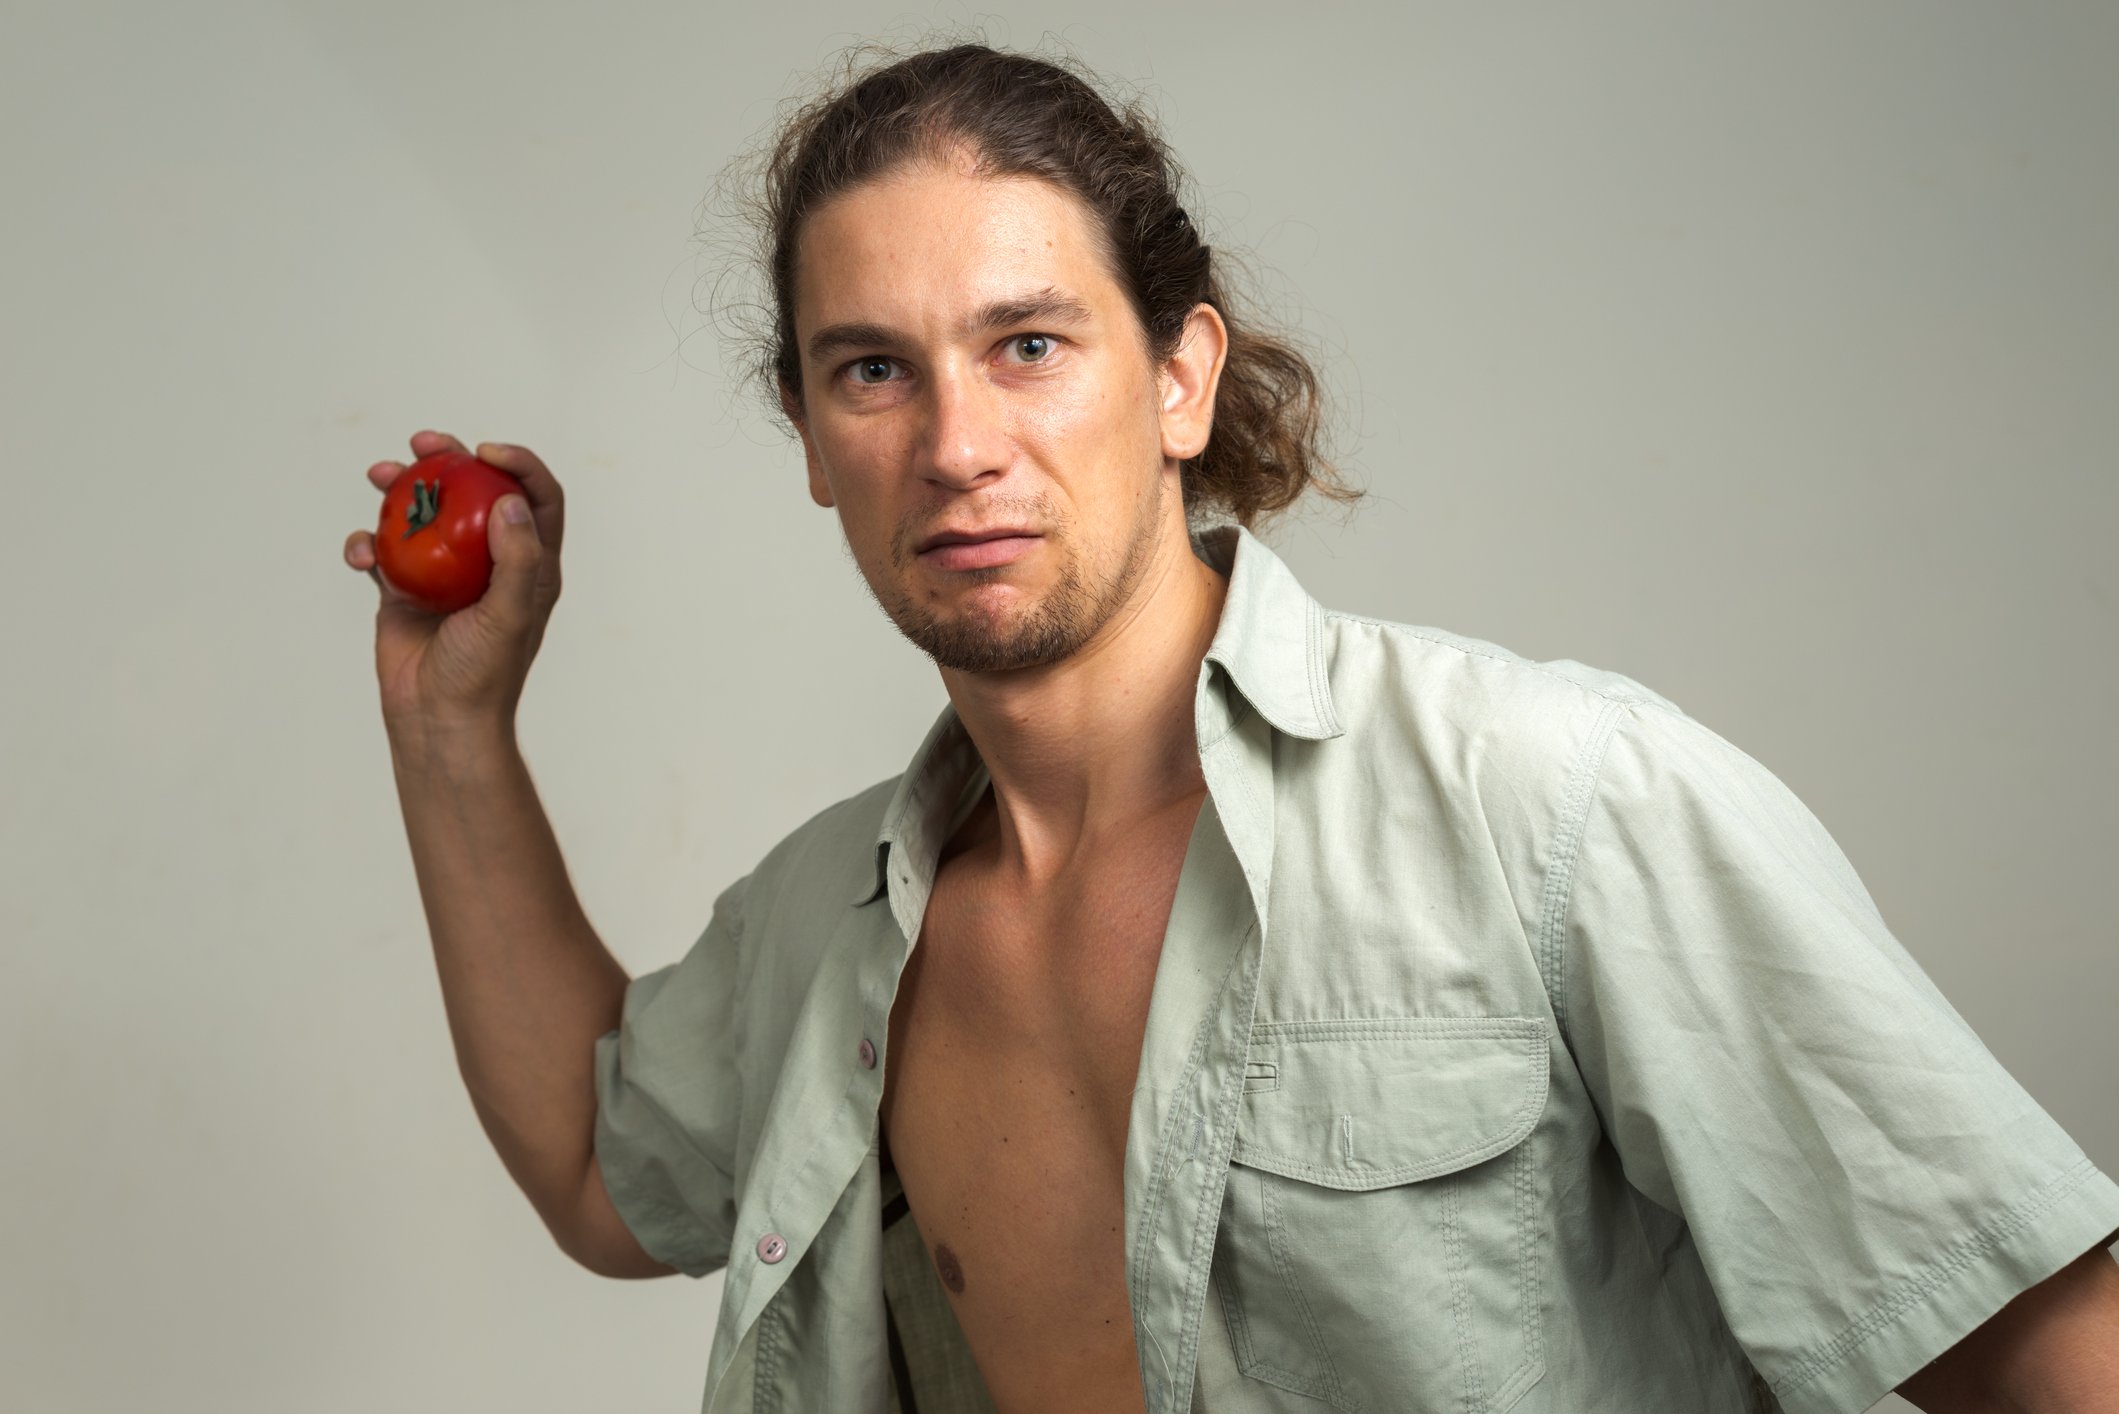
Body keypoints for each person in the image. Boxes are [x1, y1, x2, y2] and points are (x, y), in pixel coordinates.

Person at [344, 40, 2119, 1414]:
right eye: (872, 367)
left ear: (1182, 377)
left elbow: (2051, 1351)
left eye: (1030, 343)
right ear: (812, 438)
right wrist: (454, 730)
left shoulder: (1555, 800)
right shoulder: (832, 933)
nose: (957, 442)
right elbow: (598, 1166)